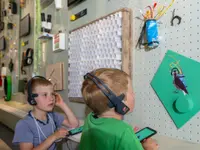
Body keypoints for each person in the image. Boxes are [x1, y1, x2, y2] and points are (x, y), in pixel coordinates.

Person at [79, 68, 158, 150]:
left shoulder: (90, 118)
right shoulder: (124, 131)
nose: (134, 94)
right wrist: (150, 148)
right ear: (118, 102)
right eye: (131, 92)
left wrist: (128, 139)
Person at [13, 76, 79, 150]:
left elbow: (74, 124)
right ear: (31, 99)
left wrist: (62, 104)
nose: (51, 98)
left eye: (52, 94)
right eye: (45, 94)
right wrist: (54, 137)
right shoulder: (24, 125)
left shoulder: (53, 116)